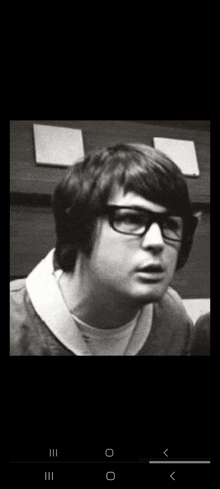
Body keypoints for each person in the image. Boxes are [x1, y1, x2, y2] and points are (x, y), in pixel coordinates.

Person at [10, 143, 199, 356]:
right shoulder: (15, 324)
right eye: (131, 218)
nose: (157, 242)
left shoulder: (172, 319)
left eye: (170, 224)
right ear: (80, 228)